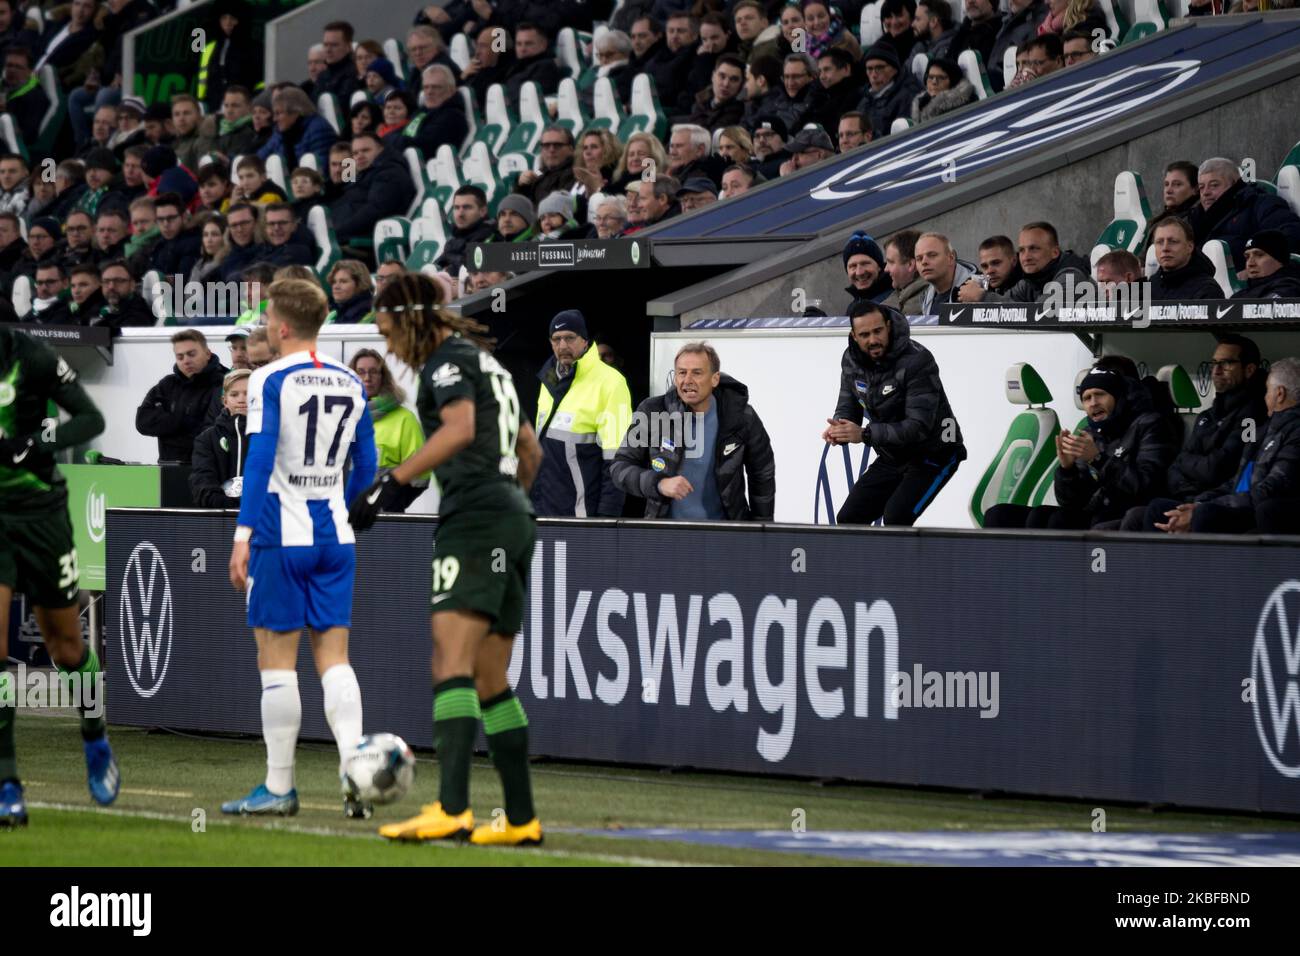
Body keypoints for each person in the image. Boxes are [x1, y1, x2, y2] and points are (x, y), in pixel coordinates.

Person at [349, 273, 545, 848]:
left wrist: (391, 482)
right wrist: (511, 508)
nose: (388, 346)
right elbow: (530, 450)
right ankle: (521, 817)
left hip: (475, 518)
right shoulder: (490, 366)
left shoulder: (446, 363)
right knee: (491, 680)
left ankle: (453, 809)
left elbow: (459, 429)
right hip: (513, 516)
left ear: (410, 319)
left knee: (451, 664)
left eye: (387, 331)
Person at [222, 278, 376, 818]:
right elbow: (370, 467)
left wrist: (242, 536)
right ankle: (356, 775)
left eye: (266, 318)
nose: (262, 326)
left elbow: (259, 462)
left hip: (279, 537)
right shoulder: (351, 382)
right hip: (335, 535)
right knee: (335, 659)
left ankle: (280, 787)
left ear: (283, 326)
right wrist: (338, 501)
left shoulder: (268, 379)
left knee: (277, 662)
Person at [0, 326, 116, 828]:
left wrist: (34, 442)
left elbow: (91, 417)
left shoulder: (32, 355)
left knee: (66, 650)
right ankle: (7, 783)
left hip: (42, 514)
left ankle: (94, 734)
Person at [823, 300, 966, 525]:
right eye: (865, 334)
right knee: (848, 519)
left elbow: (918, 427)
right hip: (893, 456)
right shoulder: (851, 360)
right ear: (854, 336)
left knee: (896, 518)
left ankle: (906, 561)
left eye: (878, 331)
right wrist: (840, 427)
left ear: (888, 326)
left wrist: (864, 435)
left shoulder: (917, 360)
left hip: (934, 454)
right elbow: (848, 404)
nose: (873, 340)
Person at [985, 367, 1177, 529]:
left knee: (1058, 520)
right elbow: (1070, 502)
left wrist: (1098, 459)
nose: (1093, 402)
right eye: (1087, 398)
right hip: (1093, 511)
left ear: (1119, 398)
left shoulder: (1150, 424)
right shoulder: (1089, 433)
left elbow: (1146, 484)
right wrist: (1067, 471)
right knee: (1000, 514)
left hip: (1126, 512)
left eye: (1100, 394)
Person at [1117, 335, 1267, 530]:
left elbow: (1219, 468)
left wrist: (1191, 473)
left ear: (1249, 369)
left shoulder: (1253, 415)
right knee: (1138, 515)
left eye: (1227, 363)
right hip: (1190, 497)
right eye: (1214, 363)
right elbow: (1176, 466)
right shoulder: (1207, 415)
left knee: (1148, 513)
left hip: (1219, 503)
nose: (1216, 370)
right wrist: (1188, 483)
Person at [612, 341, 775, 520]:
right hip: (666, 534)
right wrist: (659, 484)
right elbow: (620, 468)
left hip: (725, 534)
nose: (687, 380)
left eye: (697, 373)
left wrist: (762, 530)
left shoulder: (741, 416)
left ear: (715, 379)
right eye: (682, 372)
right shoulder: (653, 411)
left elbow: (762, 473)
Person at [1144, 357, 1300, 536]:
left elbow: (1271, 489)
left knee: (1204, 515)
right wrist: (1199, 502)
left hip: (1252, 510)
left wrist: (1206, 507)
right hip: (1234, 503)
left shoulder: (1294, 432)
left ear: (1279, 394)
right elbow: (1236, 480)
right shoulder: (1263, 429)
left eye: (1267, 391)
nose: (1265, 397)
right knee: (1159, 509)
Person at [532, 310, 632, 517]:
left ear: (585, 341)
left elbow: (617, 462)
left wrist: (605, 521)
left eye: (570, 338)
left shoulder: (611, 383)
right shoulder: (548, 378)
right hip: (544, 510)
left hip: (582, 517)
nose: (563, 346)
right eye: (556, 339)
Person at [1188, 157, 1300, 272]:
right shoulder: (1195, 220)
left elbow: (1290, 234)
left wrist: (1254, 269)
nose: (1206, 192)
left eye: (1214, 185)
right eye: (1201, 187)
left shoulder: (1261, 205)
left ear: (1234, 184)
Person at [135, 329, 228, 463]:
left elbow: (210, 434)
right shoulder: (166, 385)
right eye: (180, 357)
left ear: (207, 354)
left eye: (191, 354)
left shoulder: (223, 384)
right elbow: (142, 422)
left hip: (208, 468)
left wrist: (167, 429)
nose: (186, 361)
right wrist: (182, 421)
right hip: (167, 467)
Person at [957, 221, 1090, 303]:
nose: (1026, 257)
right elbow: (1007, 305)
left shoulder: (1072, 276)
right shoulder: (1030, 281)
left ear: (1054, 252)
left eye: (1033, 249)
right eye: (1022, 250)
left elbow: (1041, 316)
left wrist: (983, 297)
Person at [349, 348, 424, 486]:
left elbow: (420, 477)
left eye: (373, 371)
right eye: (360, 372)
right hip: (342, 505)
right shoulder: (338, 418)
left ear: (383, 376)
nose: (367, 378)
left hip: (384, 507)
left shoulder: (405, 419)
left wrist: (387, 499)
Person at [329, 132, 415, 246]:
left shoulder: (389, 173)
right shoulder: (367, 172)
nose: (359, 156)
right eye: (355, 153)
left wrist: (335, 234)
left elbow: (375, 211)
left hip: (360, 240)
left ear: (380, 149)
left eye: (365, 150)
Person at [190, 368, 250, 508]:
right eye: (234, 394)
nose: (241, 399)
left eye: (248, 394)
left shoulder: (271, 436)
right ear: (225, 401)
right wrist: (225, 505)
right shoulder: (206, 439)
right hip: (220, 520)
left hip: (262, 520)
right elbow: (202, 480)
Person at [1149, 217, 1224, 300]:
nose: (1165, 248)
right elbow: (1138, 312)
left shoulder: (1208, 290)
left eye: (1173, 241)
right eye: (1160, 242)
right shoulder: (1151, 283)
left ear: (1190, 247)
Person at [857, 44, 921, 139]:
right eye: (869, 69)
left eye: (879, 68)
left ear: (894, 69)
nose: (874, 75)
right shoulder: (864, 101)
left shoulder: (907, 96)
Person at [1141, 160, 1199, 251]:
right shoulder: (1161, 218)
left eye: (1177, 184)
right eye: (1166, 184)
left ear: (1195, 189)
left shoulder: (1194, 219)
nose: (1168, 190)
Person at [915, 231, 975, 315]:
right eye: (919, 258)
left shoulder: (978, 288)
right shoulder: (925, 297)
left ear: (951, 257)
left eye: (932, 255)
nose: (924, 262)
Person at [1233, 229, 1300, 298]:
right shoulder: (1240, 295)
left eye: (1259, 255)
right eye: (1247, 257)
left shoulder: (1289, 289)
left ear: (1279, 258)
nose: (1250, 263)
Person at [688, 53, 746, 131]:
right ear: (713, 76)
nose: (726, 84)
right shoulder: (700, 102)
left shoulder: (738, 111)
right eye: (722, 76)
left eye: (733, 79)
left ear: (741, 84)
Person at [910, 57, 975, 124]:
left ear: (953, 82)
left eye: (941, 78)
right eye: (930, 77)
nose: (934, 82)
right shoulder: (921, 103)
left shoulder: (960, 110)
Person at [95, 258, 155, 329]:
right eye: (106, 281)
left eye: (119, 281)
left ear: (132, 285)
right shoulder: (100, 308)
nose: (111, 287)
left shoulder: (138, 315)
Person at [882, 229, 929, 315]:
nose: (886, 269)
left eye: (891, 262)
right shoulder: (900, 294)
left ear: (910, 264)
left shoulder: (927, 302)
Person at [844, 231, 893, 311]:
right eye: (853, 266)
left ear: (879, 267)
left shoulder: (895, 298)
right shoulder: (852, 308)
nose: (859, 272)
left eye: (865, 264)